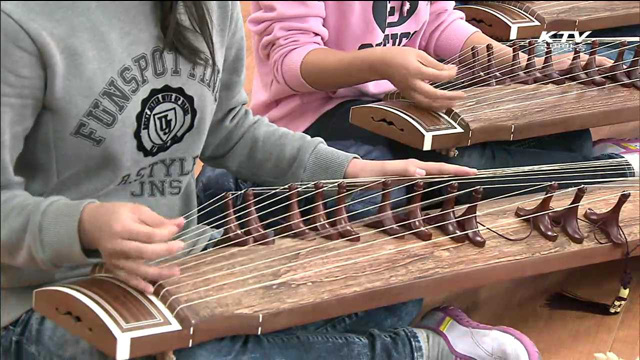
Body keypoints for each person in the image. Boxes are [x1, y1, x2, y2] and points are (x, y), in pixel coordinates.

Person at [0, 1, 541, 359]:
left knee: (387, 262)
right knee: (197, 354)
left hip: (172, 255)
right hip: (38, 298)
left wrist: (353, 173)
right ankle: (411, 351)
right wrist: (84, 224)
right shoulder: (19, 23)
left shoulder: (200, 5)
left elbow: (228, 130)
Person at [196, 1, 637, 223]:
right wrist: (381, 63)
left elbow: (440, 23)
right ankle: (611, 171)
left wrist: (527, 67)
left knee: (561, 134)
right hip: (315, 113)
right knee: (448, 173)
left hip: (400, 98)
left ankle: (586, 161)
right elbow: (289, 62)